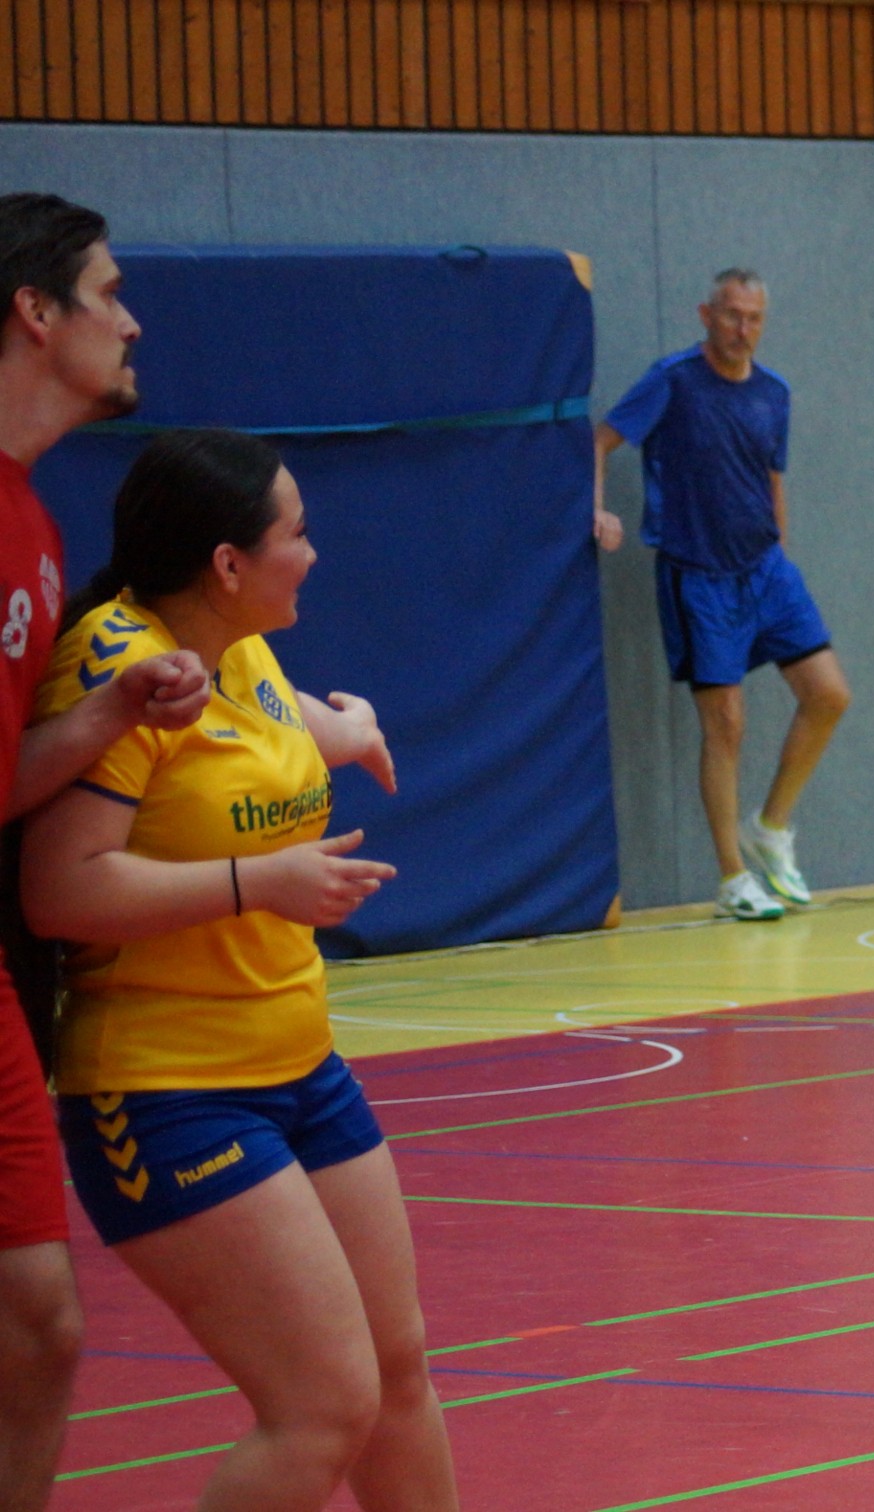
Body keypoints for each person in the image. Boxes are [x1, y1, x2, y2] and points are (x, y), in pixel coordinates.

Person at [21, 430, 458, 1509]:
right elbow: (59, 889)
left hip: (300, 1064)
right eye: (295, 533)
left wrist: (352, 730)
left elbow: (281, 723)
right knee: (324, 1406)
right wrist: (259, 882)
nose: (313, 553)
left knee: (397, 1367)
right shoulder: (127, 668)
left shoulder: (240, 647)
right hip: (168, 1090)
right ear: (227, 563)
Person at [0, 191, 211, 1512]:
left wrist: (108, 714)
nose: (131, 322)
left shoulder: (32, 525)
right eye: (109, 293)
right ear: (35, 312)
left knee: (38, 1322)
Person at [595, 268, 851, 922]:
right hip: (698, 576)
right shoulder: (673, 380)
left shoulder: (774, 393)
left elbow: (771, 479)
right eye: (732, 315)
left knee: (828, 695)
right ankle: (733, 878)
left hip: (766, 570)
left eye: (754, 318)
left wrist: (781, 553)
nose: (743, 329)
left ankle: (771, 827)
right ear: (706, 314)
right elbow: (600, 440)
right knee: (726, 724)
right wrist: (596, 510)